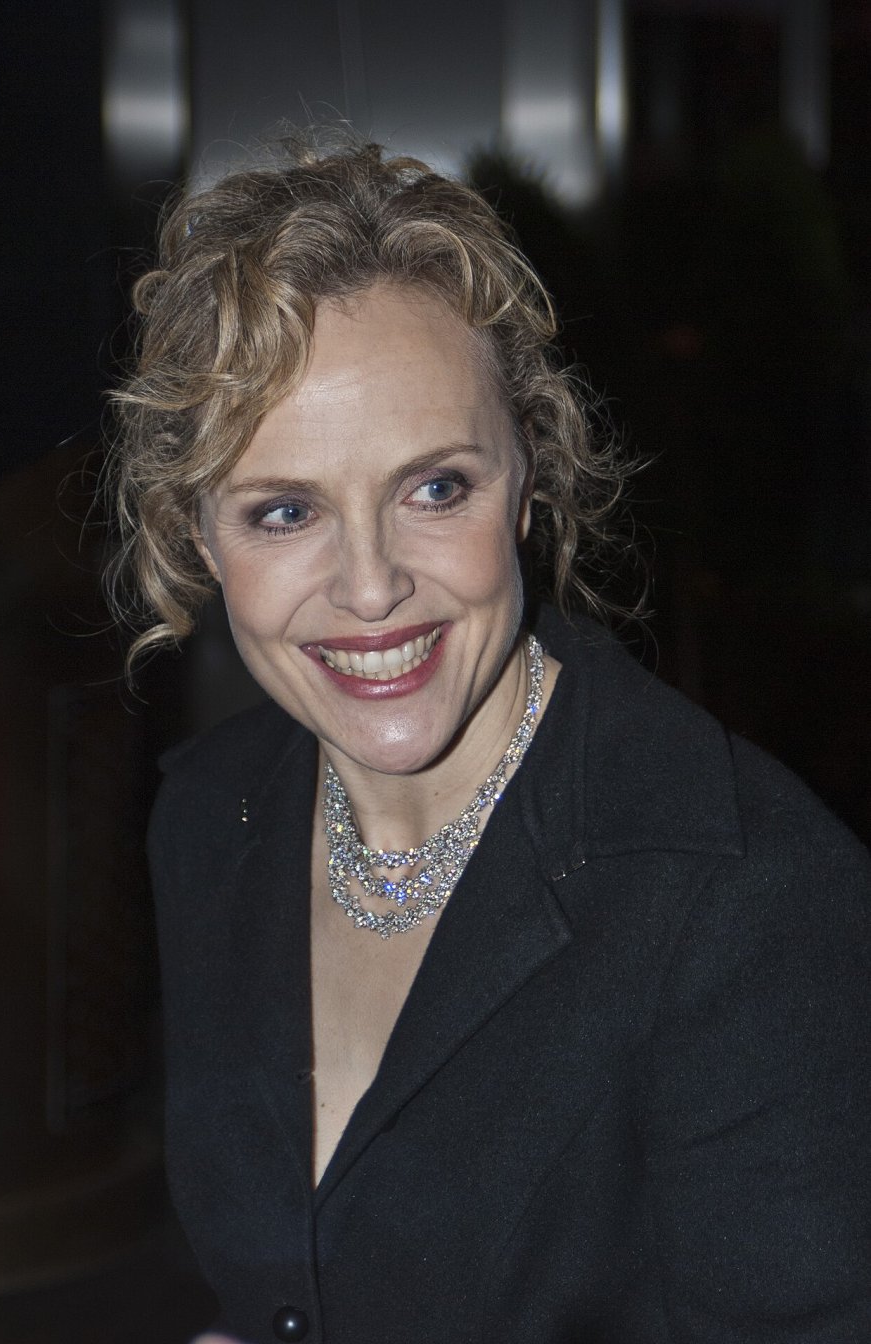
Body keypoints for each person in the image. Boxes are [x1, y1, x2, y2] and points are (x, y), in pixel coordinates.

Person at [106, 137, 871, 1344]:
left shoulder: (746, 899)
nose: (370, 587)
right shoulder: (211, 818)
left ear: (528, 480)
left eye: (435, 489)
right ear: (198, 535)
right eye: (285, 511)